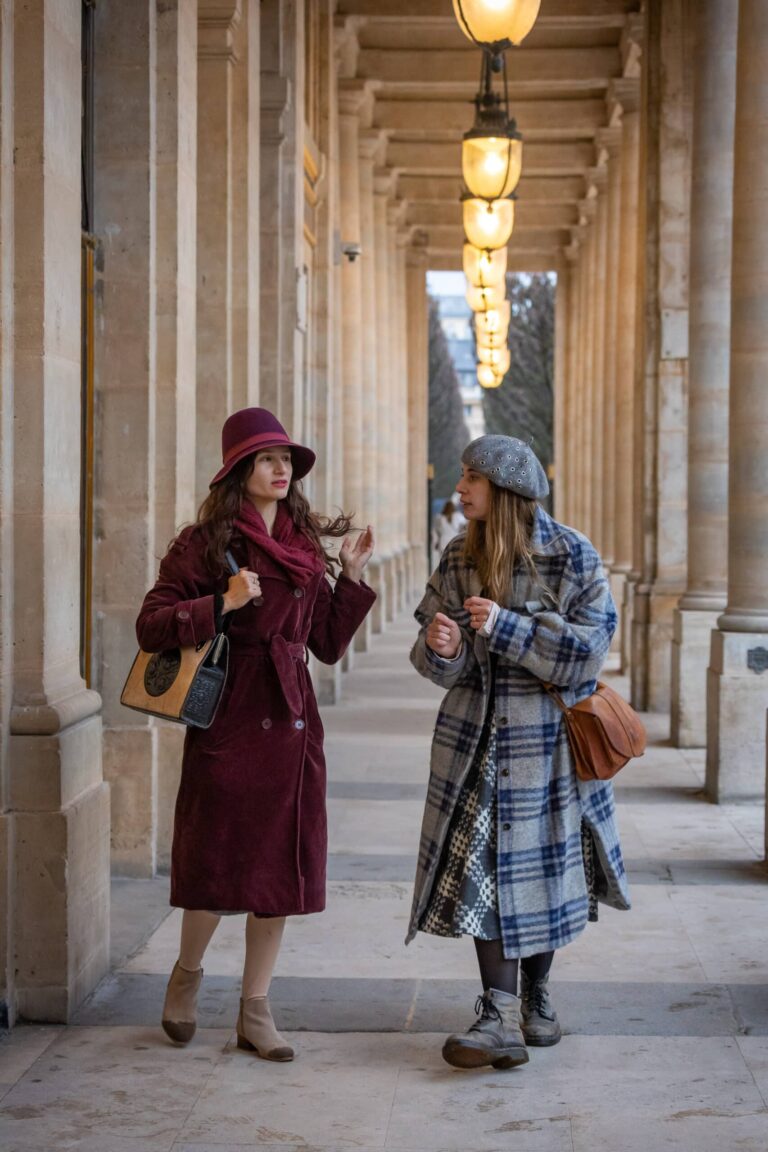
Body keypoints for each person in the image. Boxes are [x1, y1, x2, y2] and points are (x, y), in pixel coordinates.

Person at [136, 407, 376, 1061]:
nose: (281, 468)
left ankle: (255, 1010)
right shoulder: (205, 543)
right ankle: (186, 976)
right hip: (230, 719)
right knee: (215, 863)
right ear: (239, 469)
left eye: (286, 459)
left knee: (276, 878)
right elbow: (151, 625)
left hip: (292, 724)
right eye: (267, 458)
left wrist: (351, 578)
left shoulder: (303, 546)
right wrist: (222, 603)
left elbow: (324, 644)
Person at [407, 434, 629, 1070]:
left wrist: (507, 627)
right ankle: (498, 1013)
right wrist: (445, 647)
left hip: (548, 747)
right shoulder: (458, 555)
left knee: (540, 873)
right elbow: (432, 658)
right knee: (487, 872)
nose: (459, 488)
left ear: (505, 489)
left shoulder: (571, 553)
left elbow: (589, 653)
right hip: (476, 743)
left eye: (471, 477)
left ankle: (536, 993)